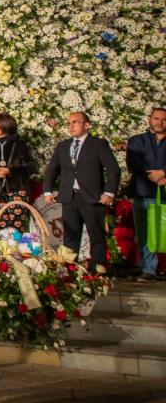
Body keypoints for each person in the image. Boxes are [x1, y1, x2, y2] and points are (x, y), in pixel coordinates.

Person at [43, 112, 121, 271]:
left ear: (87, 125)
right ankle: (69, 271)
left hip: (93, 198)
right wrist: (47, 191)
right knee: (70, 237)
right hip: (70, 198)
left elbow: (113, 170)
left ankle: (96, 271)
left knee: (96, 236)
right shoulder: (63, 146)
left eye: (75, 122)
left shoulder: (98, 144)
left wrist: (109, 193)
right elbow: (51, 170)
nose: (71, 126)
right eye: (69, 123)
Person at [126, 107, 166, 282]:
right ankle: (147, 267)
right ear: (149, 119)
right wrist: (152, 176)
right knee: (144, 232)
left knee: (160, 231)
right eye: (156, 118)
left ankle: (151, 267)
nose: (159, 122)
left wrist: (163, 173)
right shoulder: (137, 140)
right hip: (142, 191)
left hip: (163, 194)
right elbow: (133, 162)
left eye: (163, 119)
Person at [0, 113, 37, 229]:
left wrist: (11, 171)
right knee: (2, 225)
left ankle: (19, 247)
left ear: (5, 125)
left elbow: (32, 167)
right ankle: (4, 247)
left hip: (17, 189)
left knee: (17, 225)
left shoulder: (20, 143)